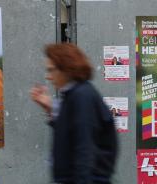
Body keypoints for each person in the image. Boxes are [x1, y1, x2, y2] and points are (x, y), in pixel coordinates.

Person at [30, 43, 118, 184]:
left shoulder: (82, 97)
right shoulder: (74, 95)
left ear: (66, 69)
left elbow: (84, 149)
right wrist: (50, 109)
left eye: (51, 70)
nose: (49, 77)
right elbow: (70, 134)